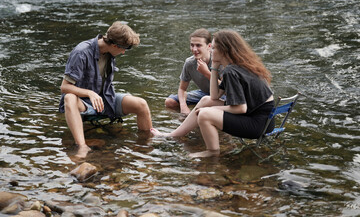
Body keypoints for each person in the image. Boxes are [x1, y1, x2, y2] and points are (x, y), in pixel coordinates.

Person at [151, 30, 275, 158]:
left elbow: (240, 108)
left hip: (257, 124)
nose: (211, 51)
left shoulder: (231, 71)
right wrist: (214, 67)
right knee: (206, 100)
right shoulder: (237, 66)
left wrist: (209, 110)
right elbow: (214, 96)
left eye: (214, 48)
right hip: (265, 121)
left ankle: (212, 152)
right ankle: (174, 135)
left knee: (205, 113)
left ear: (224, 51)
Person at [59, 21, 152, 158]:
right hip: (84, 103)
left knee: (141, 104)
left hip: (106, 99)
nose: (124, 52)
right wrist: (89, 93)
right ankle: (82, 146)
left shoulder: (109, 52)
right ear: (114, 45)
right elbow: (65, 87)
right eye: (124, 48)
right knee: (69, 98)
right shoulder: (81, 52)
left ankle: (146, 144)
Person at [165, 28, 215, 115]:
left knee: (205, 110)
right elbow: (182, 89)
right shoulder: (190, 63)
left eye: (198, 45)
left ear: (209, 46)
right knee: (170, 102)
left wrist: (207, 73)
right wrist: (183, 107)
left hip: (222, 95)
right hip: (204, 93)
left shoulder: (218, 60)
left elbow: (226, 88)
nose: (194, 49)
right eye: (192, 45)